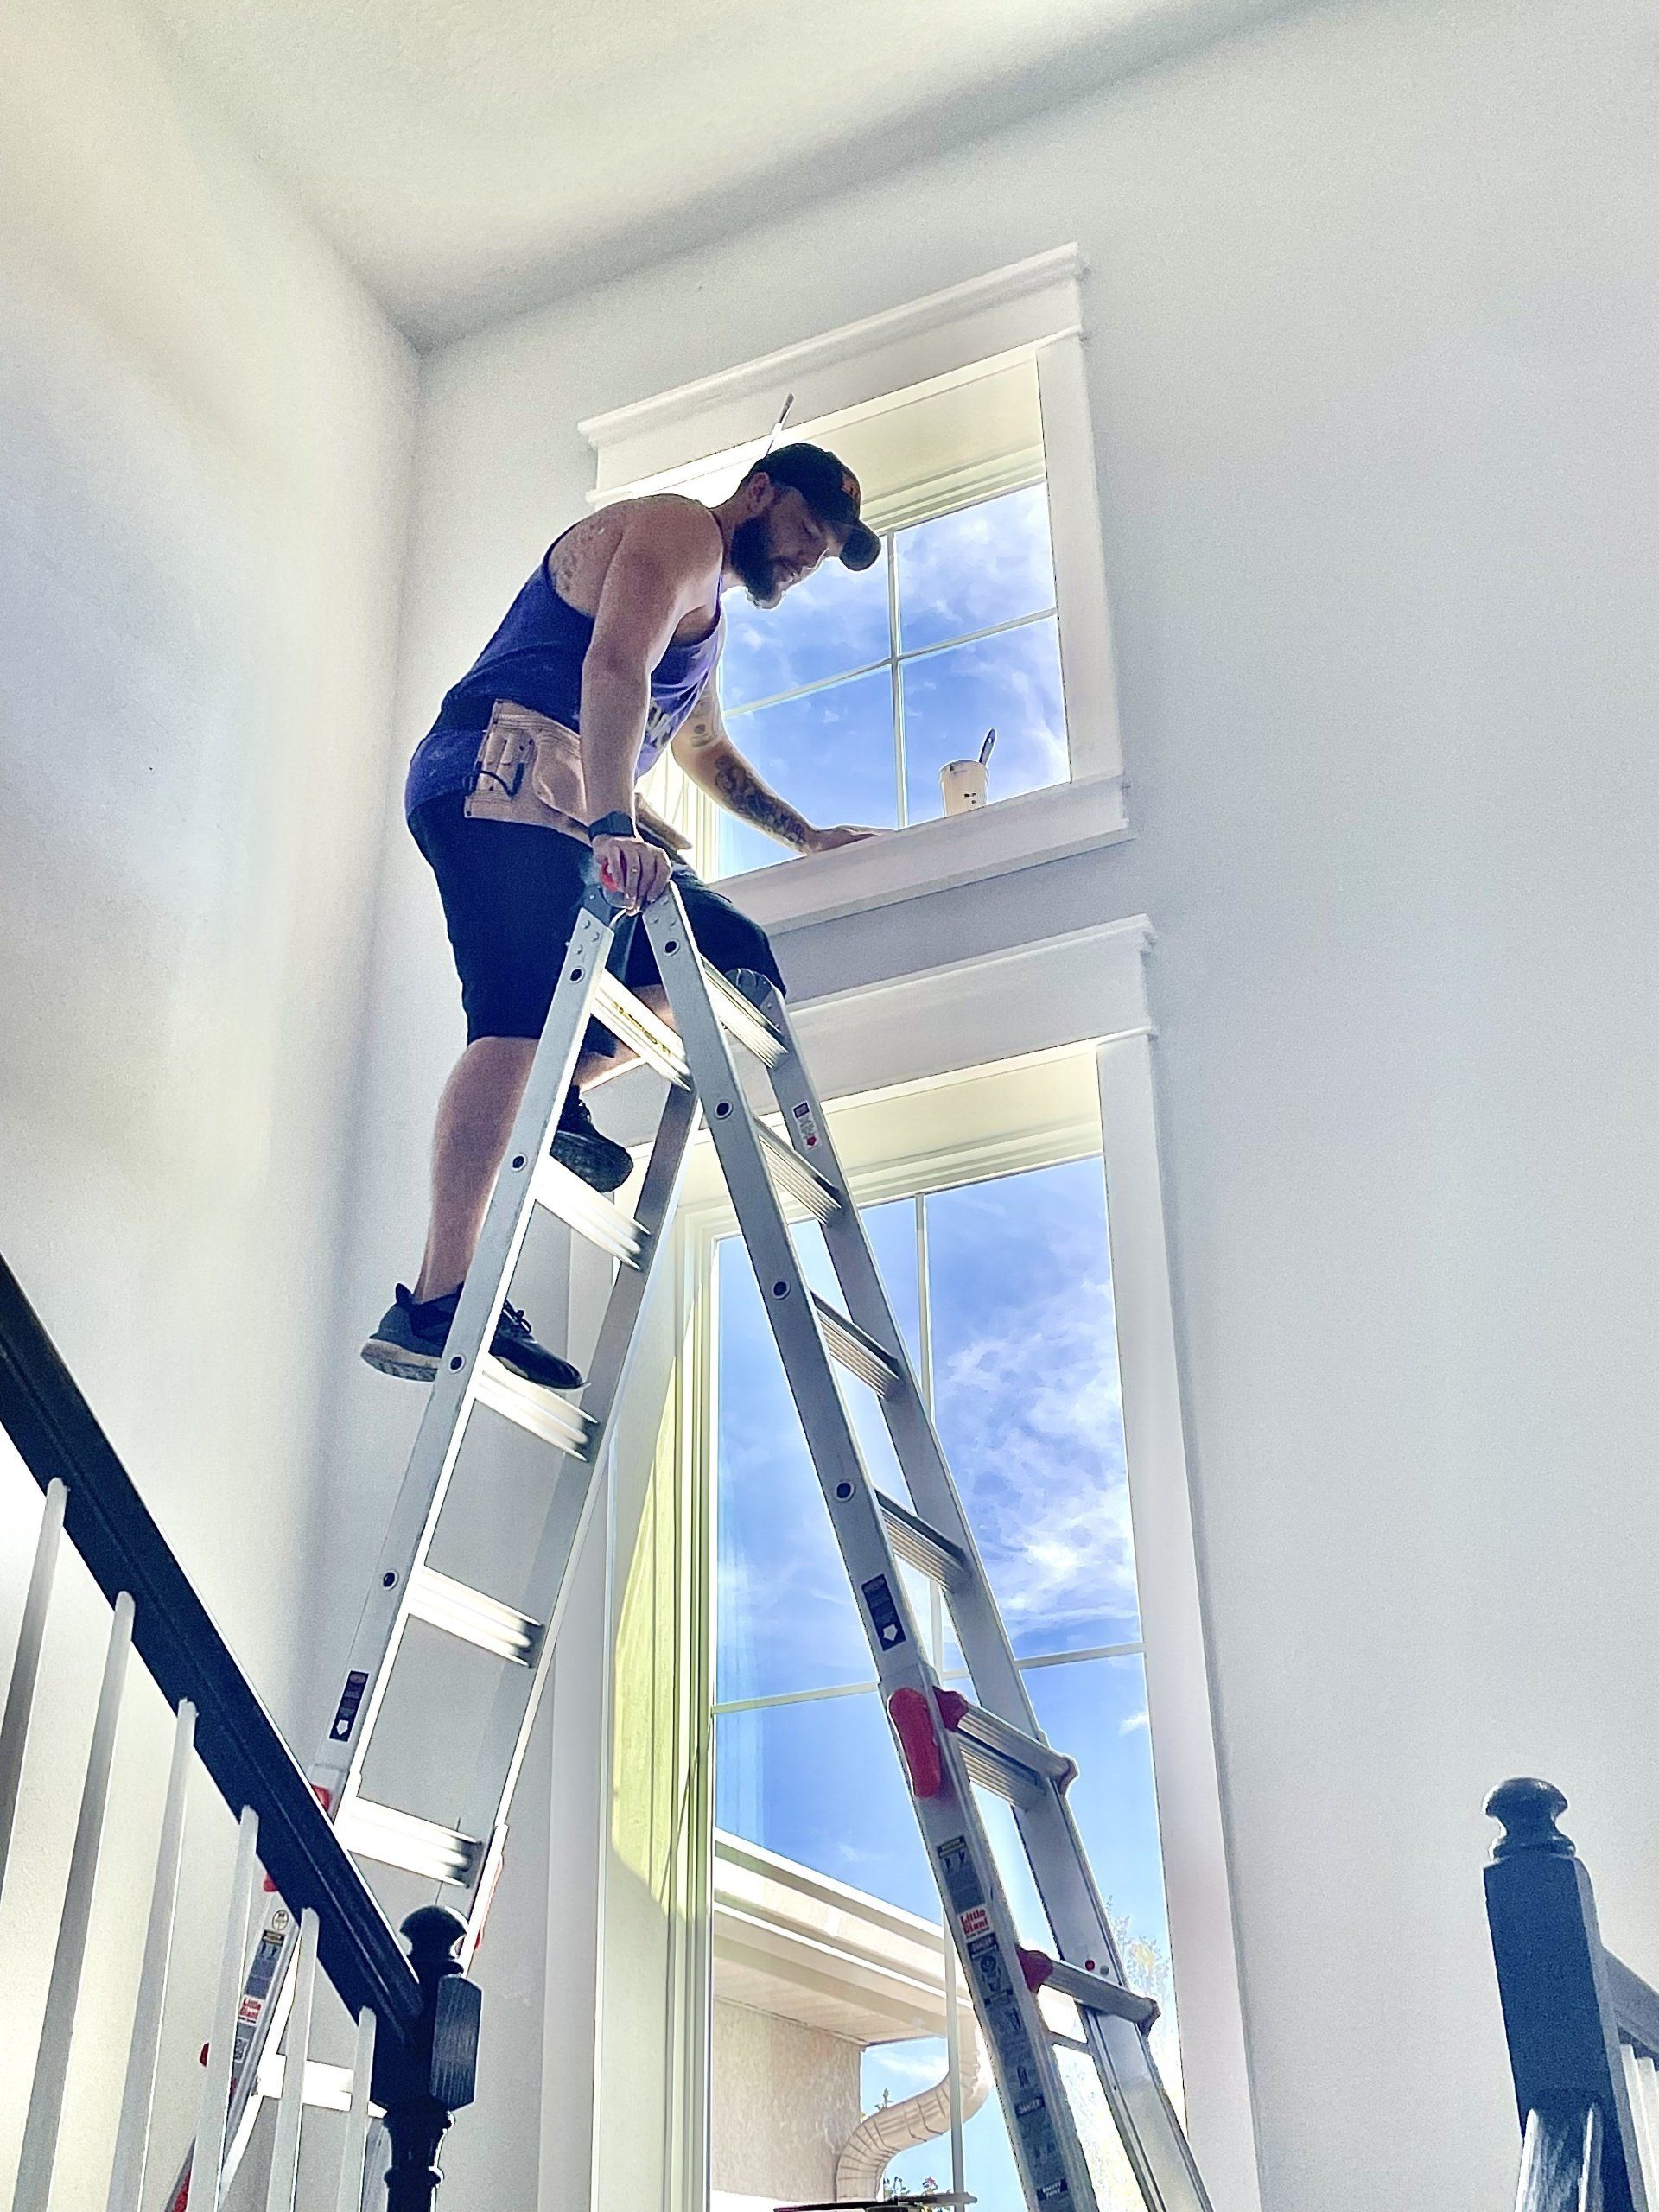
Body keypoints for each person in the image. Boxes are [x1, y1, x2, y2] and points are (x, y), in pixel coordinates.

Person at [362, 444, 883, 1390]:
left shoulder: (708, 611)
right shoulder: (678, 529)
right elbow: (613, 667)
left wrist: (804, 836)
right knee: (516, 1016)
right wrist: (613, 821)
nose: (810, 557)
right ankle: (439, 1297)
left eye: (829, 549)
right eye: (809, 529)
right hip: (503, 771)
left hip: (559, 804)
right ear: (760, 494)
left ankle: (559, 1088)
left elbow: (702, 745)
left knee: (734, 958)